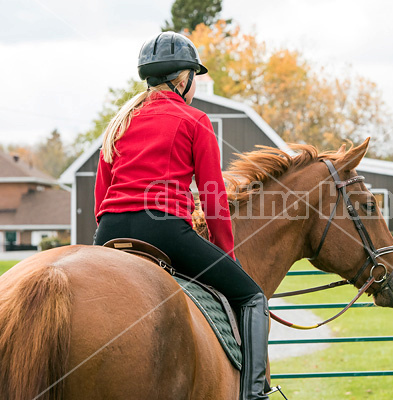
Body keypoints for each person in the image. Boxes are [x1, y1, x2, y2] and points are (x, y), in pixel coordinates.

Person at [93, 31, 271, 400]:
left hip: (108, 232)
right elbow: (213, 197)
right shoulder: (194, 119)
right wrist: (227, 256)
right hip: (164, 231)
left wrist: (107, 235)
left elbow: (101, 195)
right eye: (196, 79)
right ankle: (255, 394)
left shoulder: (120, 122)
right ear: (184, 78)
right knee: (252, 296)